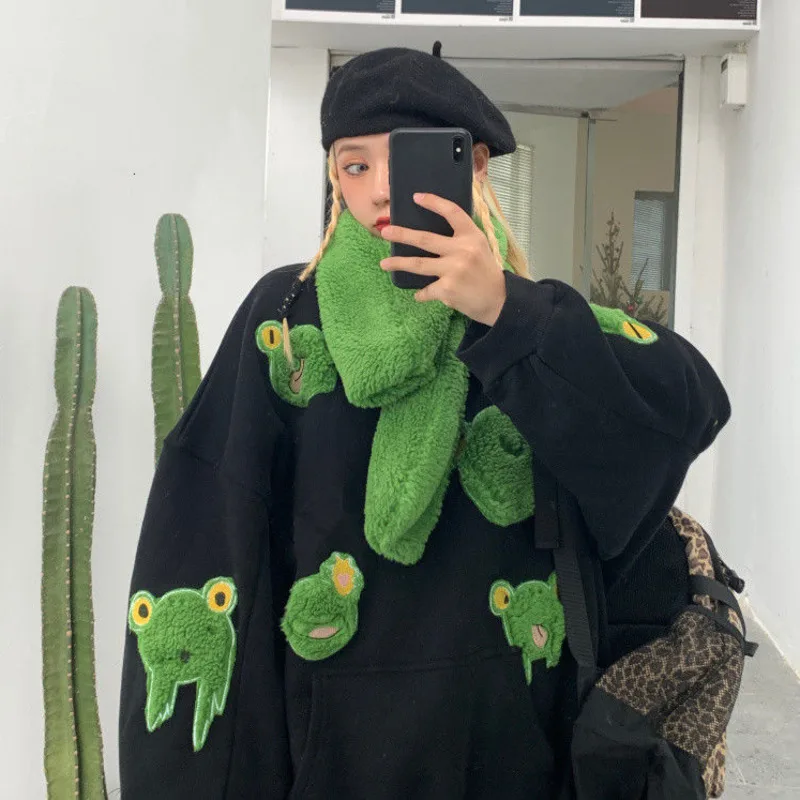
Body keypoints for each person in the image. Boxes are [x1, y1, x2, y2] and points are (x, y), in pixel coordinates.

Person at [119, 45, 730, 799]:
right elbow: (212, 530)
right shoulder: (287, 318)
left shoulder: (533, 320)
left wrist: (506, 312)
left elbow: (687, 407)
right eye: (355, 165)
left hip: (514, 737)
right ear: (334, 178)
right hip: (336, 748)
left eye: (404, 161)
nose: (380, 188)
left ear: (473, 166)